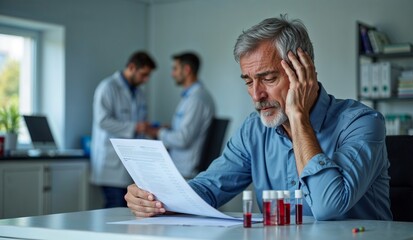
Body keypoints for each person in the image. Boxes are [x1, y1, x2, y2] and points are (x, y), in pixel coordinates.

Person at [125, 15, 392, 221]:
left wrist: (298, 116)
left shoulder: (362, 122)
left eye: (268, 78)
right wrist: (157, 200)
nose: (256, 94)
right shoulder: (254, 130)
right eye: (248, 81)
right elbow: (208, 189)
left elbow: (327, 205)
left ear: (304, 71)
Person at [90, 51, 157, 208]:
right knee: (114, 208)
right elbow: (102, 121)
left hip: (131, 164)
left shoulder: (139, 93)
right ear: (132, 67)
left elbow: (140, 123)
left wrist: (148, 128)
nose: (145, 80)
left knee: (125, 211)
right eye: (143, 75)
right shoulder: (107, 87)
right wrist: (134, 127)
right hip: (110, 163)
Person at [144, 52, 215, 178]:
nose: (172, 74)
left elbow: (183, 139)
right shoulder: (190, 97)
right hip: (179, 167)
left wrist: (157, 132)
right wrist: (170, 128)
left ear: (187, 70)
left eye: (175, 69)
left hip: (185, 172)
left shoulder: (197, 99)